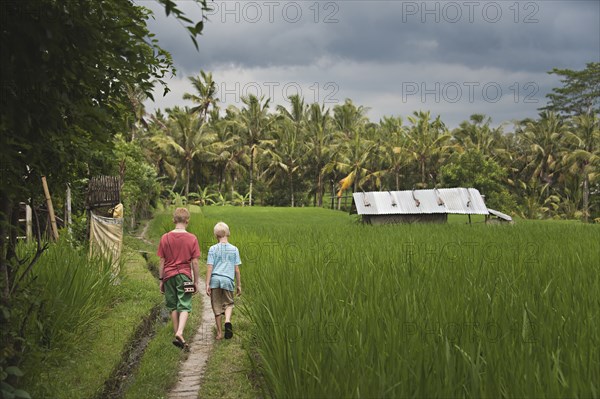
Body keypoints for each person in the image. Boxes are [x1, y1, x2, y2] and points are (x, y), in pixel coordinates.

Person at [157, 207, 200, 350]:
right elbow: (194, 262)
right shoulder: (192, 238)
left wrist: (161, 279)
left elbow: (162, 261)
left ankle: (177, 336)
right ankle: (180, 332)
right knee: (185, 304)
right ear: (187, 221)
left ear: (173, 220)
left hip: (168, 276)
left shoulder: (165, 237)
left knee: (173, 305)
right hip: (184, 276)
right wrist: (196, 281)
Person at [206, 222, 242, 340]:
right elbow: (236, 269)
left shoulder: (212, 249)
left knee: (216, 306)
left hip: (215, 280)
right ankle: (227, 320)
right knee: (229, 303)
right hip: (227, 280)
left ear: (216, 235)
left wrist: (207, 283)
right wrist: (239, 285)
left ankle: (220, 334)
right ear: (228, 233)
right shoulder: (234, 249)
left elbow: (210, 267)